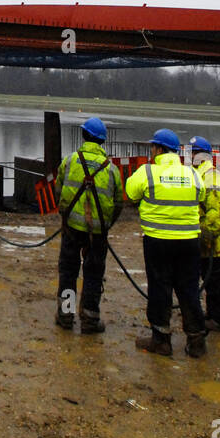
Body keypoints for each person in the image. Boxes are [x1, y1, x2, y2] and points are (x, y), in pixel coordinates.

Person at [126, 129, 207, 357]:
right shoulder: (192, 174)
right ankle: (197, 340)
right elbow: (201, 196)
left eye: (153, 147)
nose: (151, 151)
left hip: (158, 242)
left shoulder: (147, 172)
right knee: (189, 289)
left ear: (159, 149)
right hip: (189, 242)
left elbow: (130, 193)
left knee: (160, 288)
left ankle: (161, 340)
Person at [54, 116, 123, 334]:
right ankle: (90, 319)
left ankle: (66, 316)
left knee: (68, 271)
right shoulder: (111, 169)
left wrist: (65, 215)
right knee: (94, 273)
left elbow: (58, 189)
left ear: (84, 135)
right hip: (98, 232)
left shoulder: (70, 161)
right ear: (102, 140)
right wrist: (106, 225)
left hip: (72, 228)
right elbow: (118, 202)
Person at [189, 135, 220, 333]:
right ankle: (213, 314)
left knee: (217, 281)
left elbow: (217, 214)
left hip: (213, 242)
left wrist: (205, 238)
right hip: (205, 240)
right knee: (211, 281)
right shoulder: (200, 175)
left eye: (193, 153)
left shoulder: (212, 177)